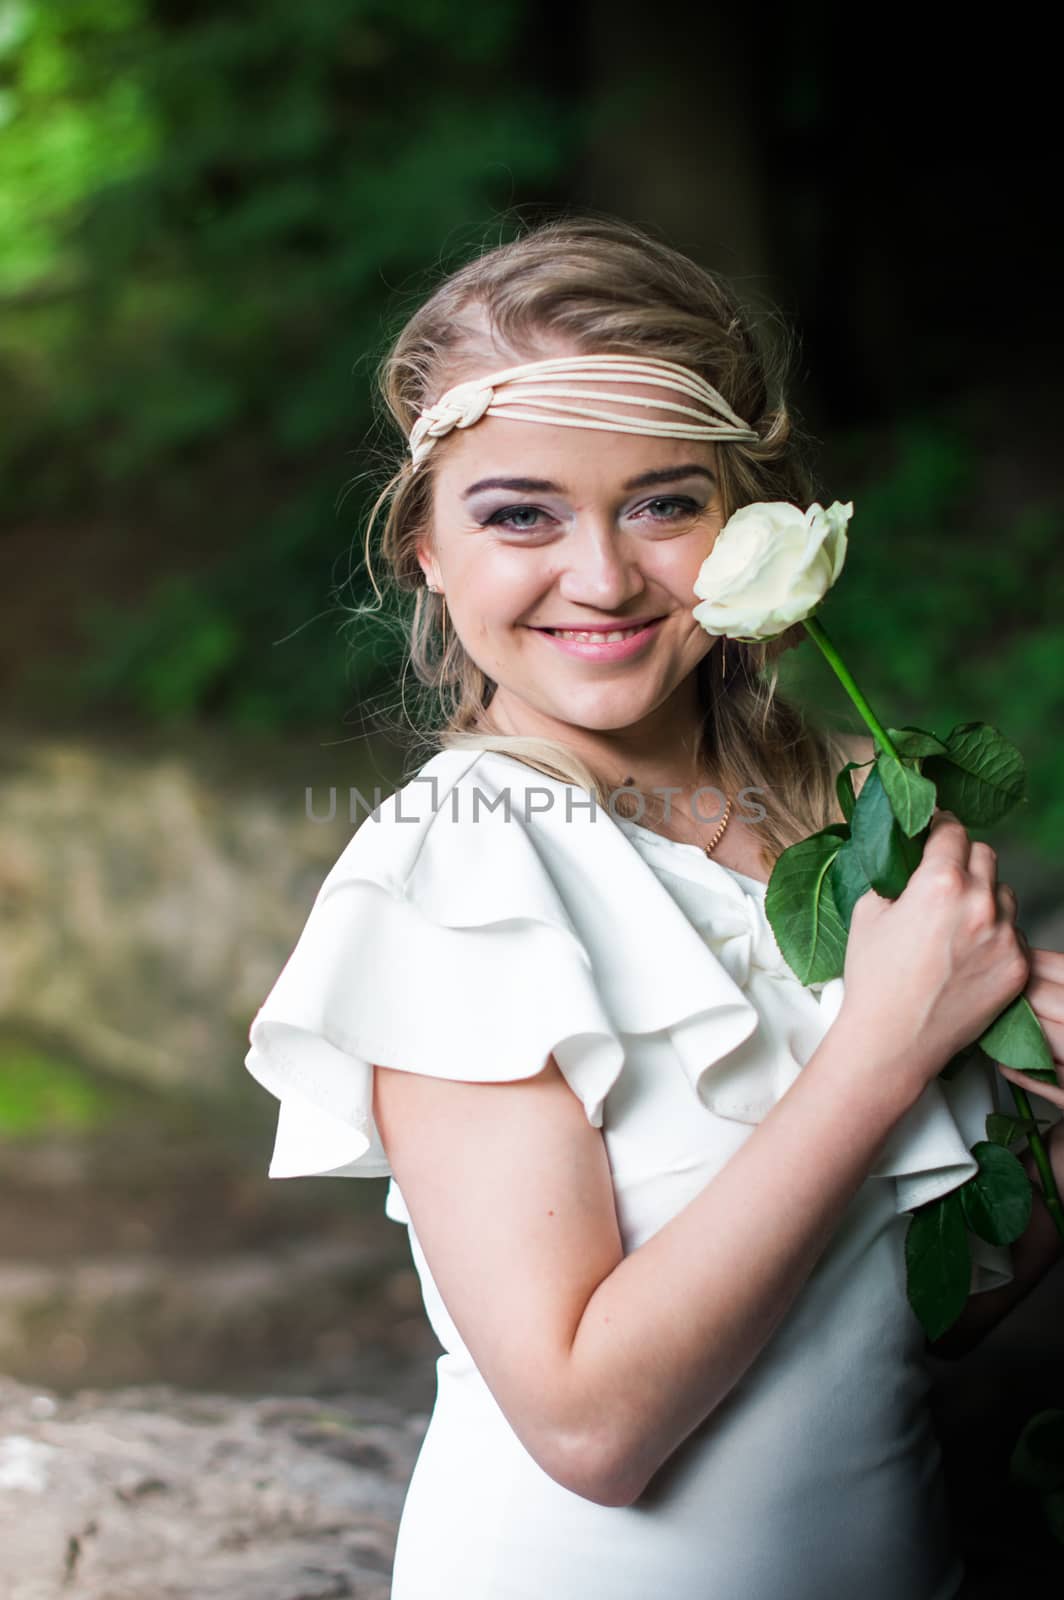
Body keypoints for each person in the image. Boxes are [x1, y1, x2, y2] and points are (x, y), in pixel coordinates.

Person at [243, 214, 1064, 1599]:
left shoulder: (853, 817)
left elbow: (907, 1319)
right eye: (520, 514)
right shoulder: (454, 878)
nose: (606, 576)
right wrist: (882, 1049)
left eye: (664, 502)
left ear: (751, 518)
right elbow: (592, 1426)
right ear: (428, 549)